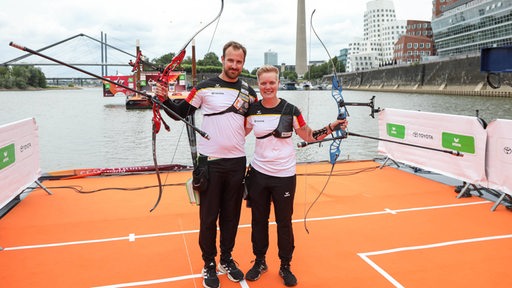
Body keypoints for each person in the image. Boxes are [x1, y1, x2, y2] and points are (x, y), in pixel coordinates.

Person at [157, 41, 258, 288]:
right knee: (208, 218)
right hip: (210, 165)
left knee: (231, 217)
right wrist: (164, 99)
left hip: (236, 164)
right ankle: (209, 264)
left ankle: (226, 258)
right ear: (223, 60)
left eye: (239, 61)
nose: (234, 65)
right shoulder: (204, 88)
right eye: (230, 60)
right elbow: (181, 112)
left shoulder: (249, 92)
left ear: (243, 63)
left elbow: (255, 122)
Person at [244, 65, 347, 287]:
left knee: (284, 222)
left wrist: (333, 126)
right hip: (259, 174)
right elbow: (236, 133)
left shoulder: (291, 110)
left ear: (278, 83)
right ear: (258, 85)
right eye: (263, 83)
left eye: (272, 82)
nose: (268, 87)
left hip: (284, 176)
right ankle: (260, 261)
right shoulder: (251, 111)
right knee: (258, 221)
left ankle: (285, 265)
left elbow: (309, 136)